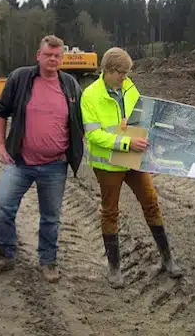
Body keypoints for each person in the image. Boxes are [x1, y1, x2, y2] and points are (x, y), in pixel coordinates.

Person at [0, 35, 85, 283]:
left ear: (62, 57)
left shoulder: (70, 84)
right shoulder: (21, 78)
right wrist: (0, 144)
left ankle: (48, 261)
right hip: (20, 162)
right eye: (48, 54)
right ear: (39, 55)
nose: (53, 59)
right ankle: (5, 254)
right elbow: (1, 110)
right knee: (2, 205)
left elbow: (84, 117)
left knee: (51, 216)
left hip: (55, 165)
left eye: (57, 55)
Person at [80, 46, 183, 288]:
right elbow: (94, 135)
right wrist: (126, 141)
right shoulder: (90, 96)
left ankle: (168, 260)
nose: (125, 78)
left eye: (127, 73)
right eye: (121, 73)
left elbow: (139, 116)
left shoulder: (128, 86)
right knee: (110, 211)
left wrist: (145, 142)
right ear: (108, 70)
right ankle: (114, 269)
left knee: (151, 201)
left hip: (134, 158)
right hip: (107, 164)